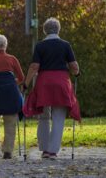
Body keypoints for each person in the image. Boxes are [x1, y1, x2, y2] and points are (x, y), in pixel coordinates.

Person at [23, 17, 80, 159]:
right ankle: (53, 151)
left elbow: (34, 66)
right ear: (58, 29)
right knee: (58, 116)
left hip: (44, 82)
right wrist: (77, 73)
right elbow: (73, 66)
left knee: (43, 116)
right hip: (61, 82)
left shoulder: (40, 46)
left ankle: (44, 149)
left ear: (44, 30)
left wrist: (26, 83)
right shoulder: (65, 45)